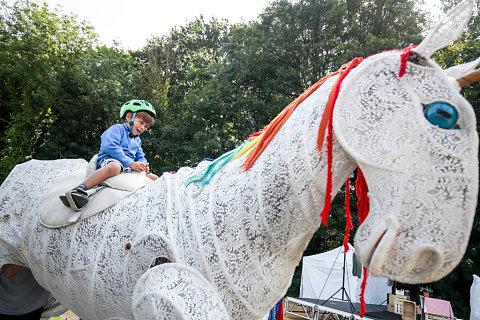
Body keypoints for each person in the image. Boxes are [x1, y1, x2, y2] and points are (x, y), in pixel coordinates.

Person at [60, 99, 159, 210]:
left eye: (146, 126)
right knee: (115, 167)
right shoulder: (116, 129)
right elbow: (110, 147)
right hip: (110, 160)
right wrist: (130, 163)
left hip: (127, 166)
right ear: (129, 117)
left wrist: (143, 165)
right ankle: (79, 189)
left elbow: (140, 155)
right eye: (141, 123)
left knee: (154, 178)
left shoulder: (137, 140)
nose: (142, 128)